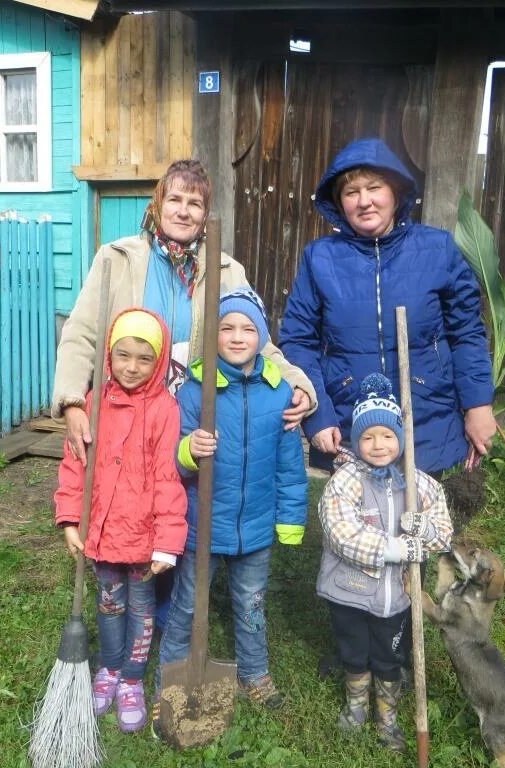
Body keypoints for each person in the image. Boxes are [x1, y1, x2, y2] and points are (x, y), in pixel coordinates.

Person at [52, 159, 316, 632]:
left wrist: (297, 382)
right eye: (174, 198)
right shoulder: (118, 259)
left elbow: (256, 338)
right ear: (157, 203)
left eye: (195, 203)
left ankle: (168, 608)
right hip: (128, 407)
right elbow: (82, 334)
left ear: (205, 212)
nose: (183, 210)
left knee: (176, 501)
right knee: (130, 498)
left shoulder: (225, 271)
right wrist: (73, 401)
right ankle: (126, 597)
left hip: (191, 410)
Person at [280, 138, 496, 478]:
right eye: (351, 193)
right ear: (339, 203)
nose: (364, 201)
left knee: (423, 526)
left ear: (395, 193)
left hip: (428, 415)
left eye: (374, 188)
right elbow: (298, 340)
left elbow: (467, 333)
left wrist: (478, 404)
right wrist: (318, 415)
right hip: (351, 418)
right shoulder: (320, 258)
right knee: (356, 526)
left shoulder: (437, 249)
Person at [153, 288, 308, 723]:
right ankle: (172, 674)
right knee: (187, 603)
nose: (237, 337)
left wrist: (290, 521)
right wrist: (189, 449)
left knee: (252, 603)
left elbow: (290, 467)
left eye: (248, 328)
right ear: (211, 335)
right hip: (204, 526)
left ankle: (254, 671)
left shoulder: (280, 394)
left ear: (262, 336)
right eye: (226, 328)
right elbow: (172, 459)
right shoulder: (195, 390)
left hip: (256, 528)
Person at [54, 308, 187, 734]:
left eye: (144, 359)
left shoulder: (165, 409)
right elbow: (76, 465)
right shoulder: (92, 404)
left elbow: (169, 477)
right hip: (104, 532)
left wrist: (167, 540)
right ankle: (109, 668)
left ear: (160, 361)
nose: (131, 367)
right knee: (109, 606)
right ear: (109, 355)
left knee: (141, 611)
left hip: (144, 538)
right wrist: (71, 519)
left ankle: (131, 679)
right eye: (123, 355)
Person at [317, 373, 453, 752]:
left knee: (389, 655)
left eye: (387, 436)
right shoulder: (345, 482)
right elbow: (341, 533)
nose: (378, 445)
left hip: (395, 596)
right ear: (356, 441)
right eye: (368, 437)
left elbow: (443, 534)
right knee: (354, 652)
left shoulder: (419, 485)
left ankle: (387, 718)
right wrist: (396, 549)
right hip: (349, 593)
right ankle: (356, 705)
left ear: (401, 439)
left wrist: (423, 528)